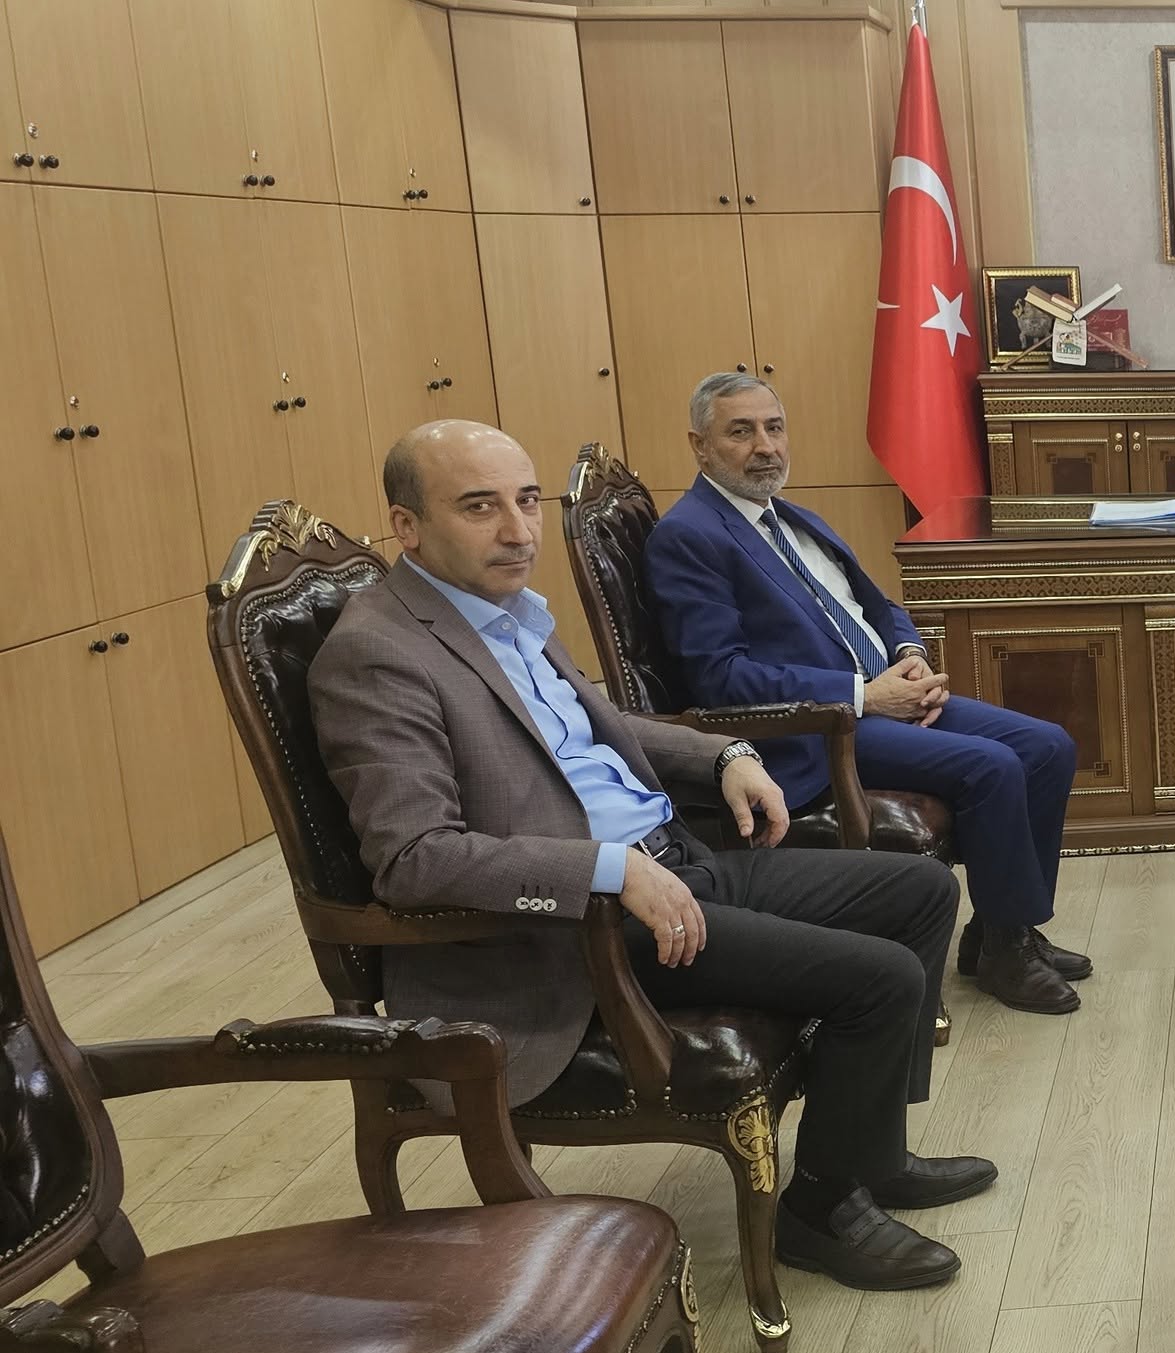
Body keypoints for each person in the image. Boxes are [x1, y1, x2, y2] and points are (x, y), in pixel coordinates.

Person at [310, 420, 986, 1291]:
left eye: (527, 501)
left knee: (921, 890)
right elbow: (415, 858)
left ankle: (869, 1156)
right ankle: (820, 1212)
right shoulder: (378, 652)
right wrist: (609, 869)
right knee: (881, 977)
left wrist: (723, 755)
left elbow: (599, 729)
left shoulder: (502, 610)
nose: (518, 530)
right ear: (407, 526)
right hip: (579, 930)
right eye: (479, 507)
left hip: (674, 859)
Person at [644, 372, 1089, 1015]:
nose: (765, 446)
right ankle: (1007, 951)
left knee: (1048, 747)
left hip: (886, 695)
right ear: (700, 445)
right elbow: (721, 676)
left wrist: (909, 655)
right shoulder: (689, 536)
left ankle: (998, 930)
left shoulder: (792, 517)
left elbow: (876, 605)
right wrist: (865, 696)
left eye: (774, 428)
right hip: (818, 727)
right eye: (741, 432)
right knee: (992, 766)